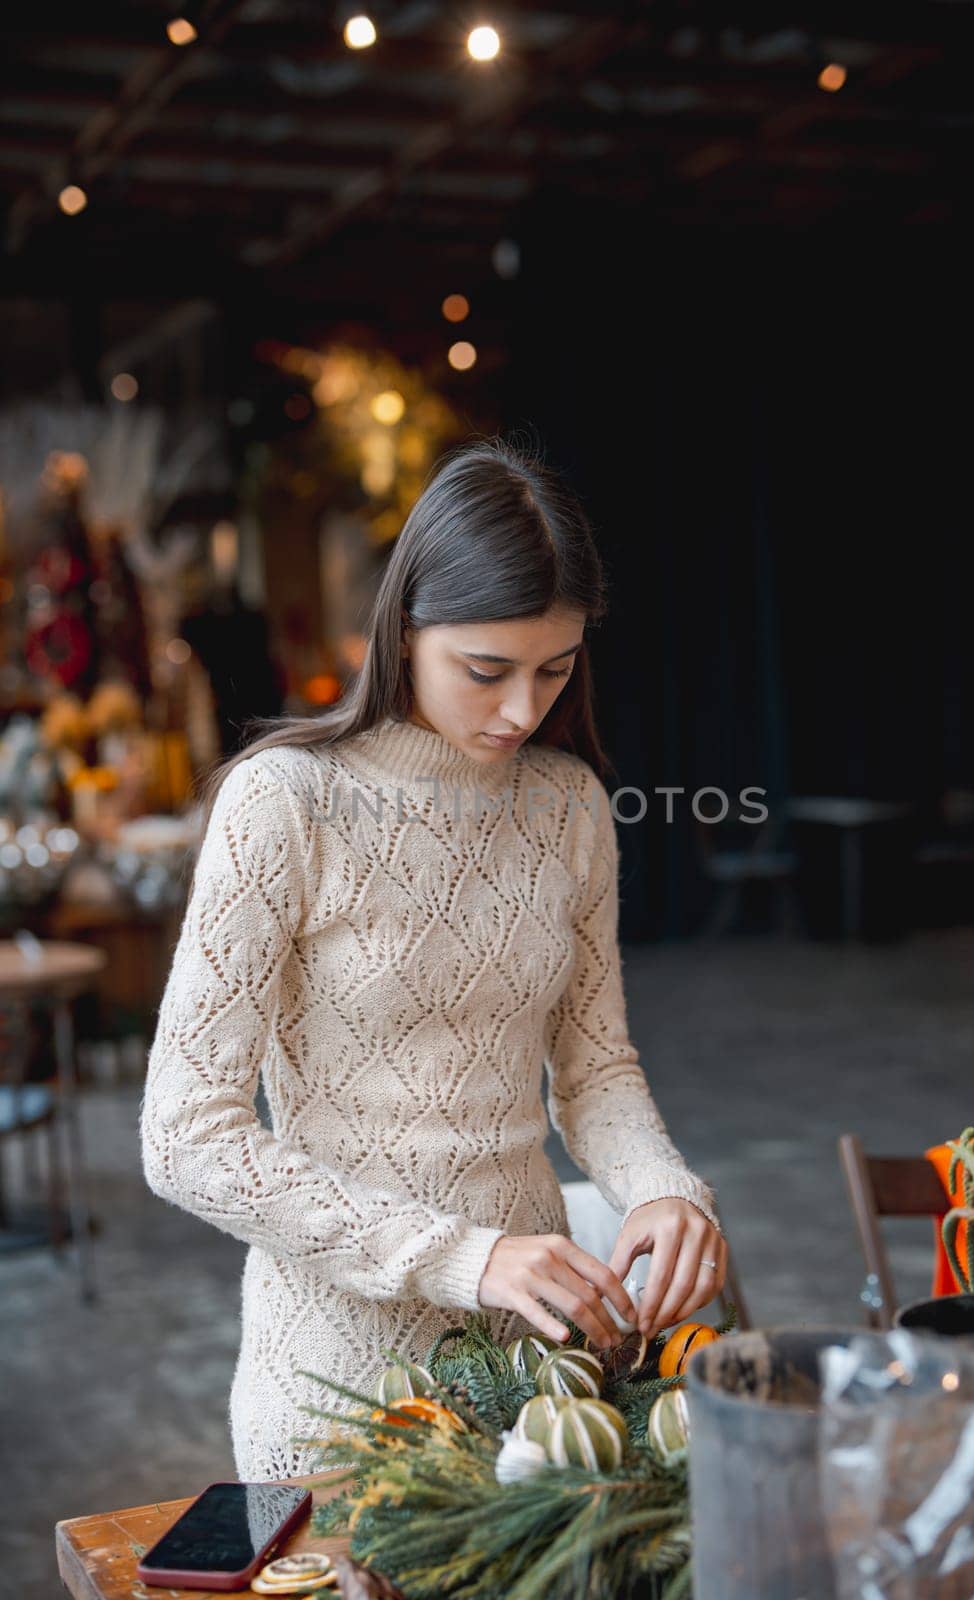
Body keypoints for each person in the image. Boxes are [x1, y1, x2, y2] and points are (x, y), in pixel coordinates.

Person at [139, 434, 728, 1481]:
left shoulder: (568, 807)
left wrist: (662, 1190)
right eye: (485, 670)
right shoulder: (284, 803)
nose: (519, 709)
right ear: (402, 628)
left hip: (540, 1381)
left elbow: (594, 1072)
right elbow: (186, 1138)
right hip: (340, 1388)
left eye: (554, 670)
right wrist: (465, 1258)